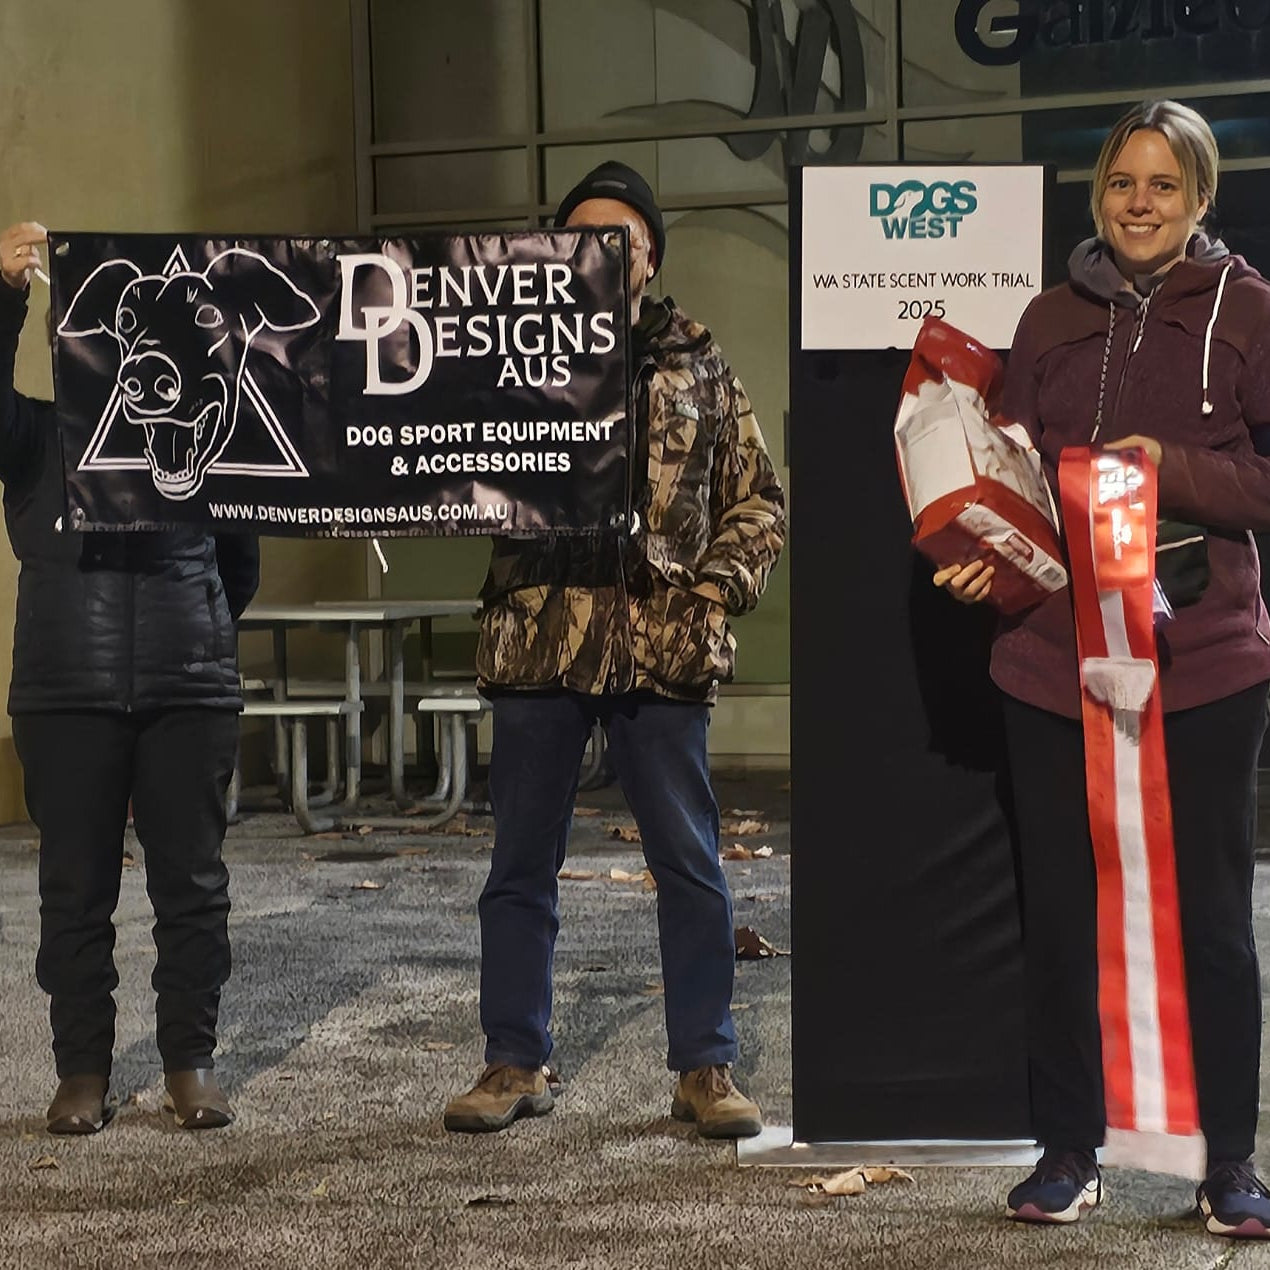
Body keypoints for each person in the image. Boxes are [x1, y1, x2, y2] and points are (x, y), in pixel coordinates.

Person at [937, 101, 1270, 1238]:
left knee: (1214, 917)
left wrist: (1167, 469)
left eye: (1163, 184)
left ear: (1200, 196)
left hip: (1205, 660)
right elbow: (1013, 479)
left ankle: (1228, 1162)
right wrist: (990, 560)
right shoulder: (1044, 319)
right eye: (1122, 182)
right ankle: (1067, 1150)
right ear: (1097, 196)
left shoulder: (1251, 313)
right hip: (1050, 663)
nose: (1140, 202)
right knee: (1064, 913)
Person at [443, 162, 785, 1138]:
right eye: (584, 234)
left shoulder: (701, 367)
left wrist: (716, 591)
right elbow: (436, 456)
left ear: (651, 254)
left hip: (660, 651)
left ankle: (704, 1066)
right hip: (537, 640)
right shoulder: (507, 360)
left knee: (689, 862)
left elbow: (759, 497)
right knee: (519, 865)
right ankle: (514, 1059)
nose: (606, 250)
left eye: (623, 234)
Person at [0, 222, 259, 1133]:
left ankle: (190, 1062)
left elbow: (240, 558)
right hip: (64, 692)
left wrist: (202, 633)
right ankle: (82, 1073)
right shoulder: (31, 435)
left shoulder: (201, 433)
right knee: (75, 891)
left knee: (194, 886)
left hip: (189, 684)